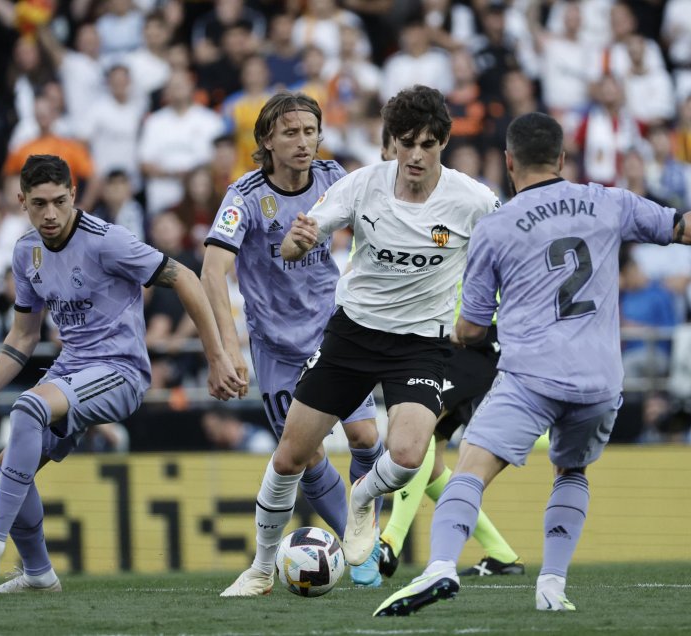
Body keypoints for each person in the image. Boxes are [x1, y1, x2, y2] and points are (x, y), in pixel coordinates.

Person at [374, 112, 691, 617]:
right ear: (561, 159)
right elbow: (685, 227)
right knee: (570, 470)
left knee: (469, 471)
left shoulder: (496, 226)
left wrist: (466, 334)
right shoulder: (609, 202)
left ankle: (440, 565)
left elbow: (471, 329)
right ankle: (552, 585)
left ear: (509, 163)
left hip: (531, 375)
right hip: (600, 381)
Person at [225, 85, 500, 597]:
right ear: (390, 142)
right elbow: (291, 244)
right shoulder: (361, 186)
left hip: (421, 343)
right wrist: (296, 240)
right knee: (290, 457)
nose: (416, 155)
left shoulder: (474, 200)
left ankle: (363, 496)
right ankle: (261, 568)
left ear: (443, 143)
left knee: (410, 453)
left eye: (428, 144)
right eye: (405, 143)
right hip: (352, 334)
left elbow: (505, 253)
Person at [0, 154, 242, 593]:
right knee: (4, 469)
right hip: (72, 371)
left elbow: (187, 279)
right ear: (21, 201)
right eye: (39, 203)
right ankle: (39, 573)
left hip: (121, 370)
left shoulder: (107, 241)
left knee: (28, 408)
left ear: (74, 195)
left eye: (59, 201)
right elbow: (23, 336)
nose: (50, 213)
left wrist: (216, 358)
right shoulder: (27, 251)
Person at [201, 92, 384, 592]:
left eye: (309, 131)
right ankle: (358, 547)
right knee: (304, 457)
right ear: (266, 140)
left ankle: (365, 529)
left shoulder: (333, 177)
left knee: (368, 438)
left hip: (337, 334)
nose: (303, 142)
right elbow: (213, 271)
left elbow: (378, 221)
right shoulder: (243, 197)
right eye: (290, 133)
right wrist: (227, 348)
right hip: (278, 349)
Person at [375, 127, 521, 579]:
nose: (405, 156)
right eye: (398, 146)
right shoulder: (378, 206)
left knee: (415, 435)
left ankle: (388, 542)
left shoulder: (459, 201)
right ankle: (501, 555)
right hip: (432, 340)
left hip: (472, 337)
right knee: (431, 454)